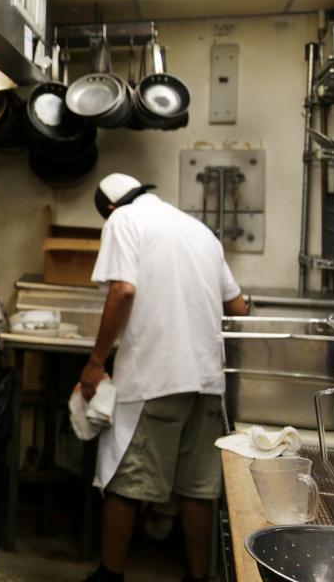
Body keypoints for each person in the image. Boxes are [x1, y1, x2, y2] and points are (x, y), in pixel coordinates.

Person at [78, 173, 248, 582]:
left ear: (110, 210)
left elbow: (123, 290)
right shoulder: (199, 230)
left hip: (155, 378)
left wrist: (96, 362)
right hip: (207, 380)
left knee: (125, 482)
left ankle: (109, 577)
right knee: (197, 490)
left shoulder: (124, 220)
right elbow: (239, 308)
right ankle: (197, 577)